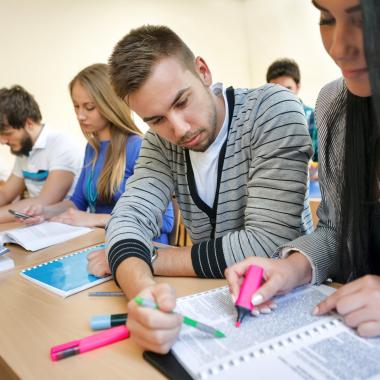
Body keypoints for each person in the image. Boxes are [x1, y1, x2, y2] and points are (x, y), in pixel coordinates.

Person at [105, 25, 313, 353]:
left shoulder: (272, 108)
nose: (179, 128)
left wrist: (149, 255)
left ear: (203, 71)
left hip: (293, 306)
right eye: (156, 120)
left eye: (182, 101)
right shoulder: (159, 142)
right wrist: (143, 291)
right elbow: (129, 217)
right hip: (217, 306)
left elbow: (270, 244)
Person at [227, 0, 380, 339]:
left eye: (365, 20)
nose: (338, 47)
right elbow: (337, 231)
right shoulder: (335, 104)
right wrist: (291, 267)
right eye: (326, 18)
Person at [23, 63, 174, 246]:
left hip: (142, 246)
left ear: (109, 104)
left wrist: (94, 219)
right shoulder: (92, 148)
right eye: (76, 106)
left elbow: (165, 221)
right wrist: (45, 211)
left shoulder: (140, 147)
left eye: (89, 107)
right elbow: (77, 203)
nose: (80, 115)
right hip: (100, 242)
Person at [0, 85, 82, 224]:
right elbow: (5, 194)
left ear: (29, 123)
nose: (2, 141)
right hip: (37, 224)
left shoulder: (61, 145)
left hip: (67, 225)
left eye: (7, 134)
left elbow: (44, 202)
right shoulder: (24, 151)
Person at [266, 58, 319, 163]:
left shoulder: (314, 117)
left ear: (297, 87)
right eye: (276, 89)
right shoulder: (263, 121)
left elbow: (320, 160)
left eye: (288, 88)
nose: (282, 95)